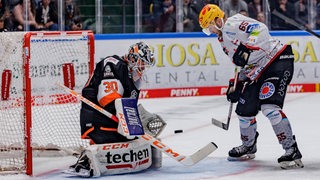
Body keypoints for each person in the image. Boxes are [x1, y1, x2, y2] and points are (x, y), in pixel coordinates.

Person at [198, 4, 303, 169]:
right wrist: (236, 83)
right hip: (257, 70)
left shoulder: (233, 23)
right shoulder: (223, 41)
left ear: (218, 20)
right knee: (244, 111)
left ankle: (291, 148)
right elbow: (245, 63)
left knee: (269, 107)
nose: (209, 31)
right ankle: (248, 145)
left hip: (277, 59)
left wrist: (247, 48)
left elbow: (260, 29)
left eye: (209, 27)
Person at [66, 42, 163, 177]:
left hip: (112, 121)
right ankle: (87, 160)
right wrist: (129, 124)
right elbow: (107, 101)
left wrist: (136, 122)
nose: (143, 68)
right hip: (98, 122)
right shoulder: (113, 65)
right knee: (131, 143)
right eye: (142, 64)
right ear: (133, 58)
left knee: (140, 142)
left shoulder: (129, 73)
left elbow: (126, 105)